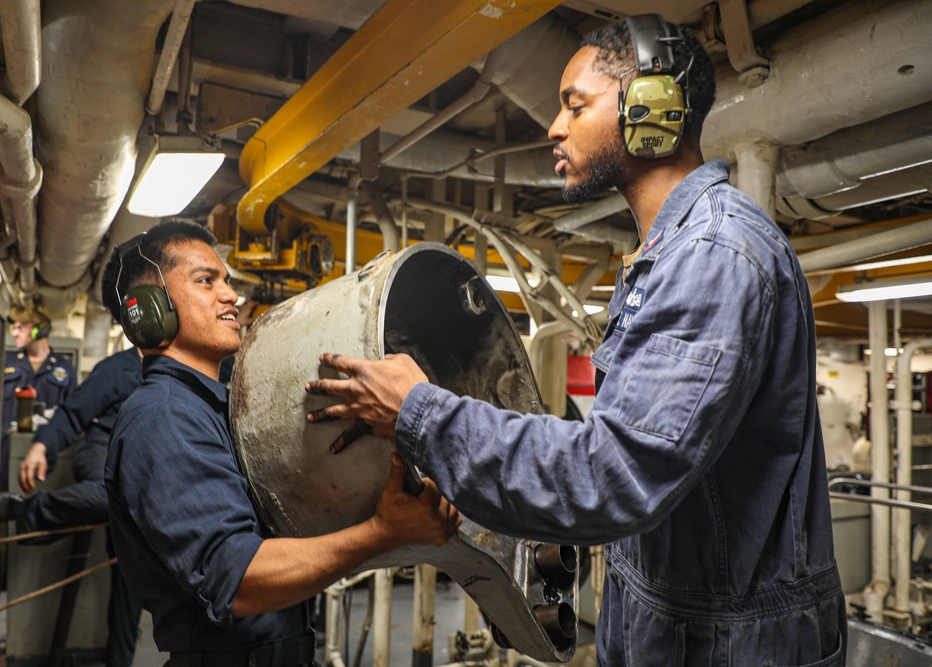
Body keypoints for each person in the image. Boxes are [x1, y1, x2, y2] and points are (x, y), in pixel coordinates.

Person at [304, 15, 846, 667]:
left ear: (652, 113)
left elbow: (613, 476)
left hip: (734, 647)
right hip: (672, 628)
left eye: (575, 105)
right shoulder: (663, 254)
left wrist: (420, 412)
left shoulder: (714, 256)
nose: (555, 127)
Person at [99, 220, 460, 666]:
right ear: (149, 309)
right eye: (206, 281)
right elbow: (238, 578)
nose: (230, 295)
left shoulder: (215, 408)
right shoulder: (163, 416)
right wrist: (382, 533)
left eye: (227, 281)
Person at [0, 345, 145, 667]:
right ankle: (23, 510)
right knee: (117, 495)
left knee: (130, 568)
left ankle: (119, 661)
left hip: (142, 467)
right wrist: (42, 446)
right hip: (103, 450)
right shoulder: (116, 369)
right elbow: (72, 412)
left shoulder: (184, 365)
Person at [0, 309, 77, 492]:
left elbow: (72, 414)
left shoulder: (64, 368)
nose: (15, 333)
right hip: (6, 448)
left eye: (20, 327)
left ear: (39, 331)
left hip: (45, 449)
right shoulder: (6, 363)